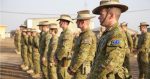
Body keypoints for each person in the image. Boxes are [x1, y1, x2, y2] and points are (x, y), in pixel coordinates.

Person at [88, 0, 129, 79]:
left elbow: (110, 63)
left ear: (111, 15)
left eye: (101, 14)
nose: (99, 17)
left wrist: (93, 76)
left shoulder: (117, 34)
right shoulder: (108, 33)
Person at [67, 10, 97, 79]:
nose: (76, 22)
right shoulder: (83, 35)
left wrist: (73, 68)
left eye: (77, 21)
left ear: (82, 22)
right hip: (79, 68)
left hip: (81, 70)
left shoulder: (87, 35)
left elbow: (82, 55)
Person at [55, 14, 74, 79]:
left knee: (64, 76)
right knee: (60, 75)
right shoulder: (63, 33)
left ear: (65, 22)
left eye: (60, 21)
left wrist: (57, 57)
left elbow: (64, 48)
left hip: (64, 60)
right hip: (61, 59)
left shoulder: (68, 33)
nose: (59, 23)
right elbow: (59, 46)